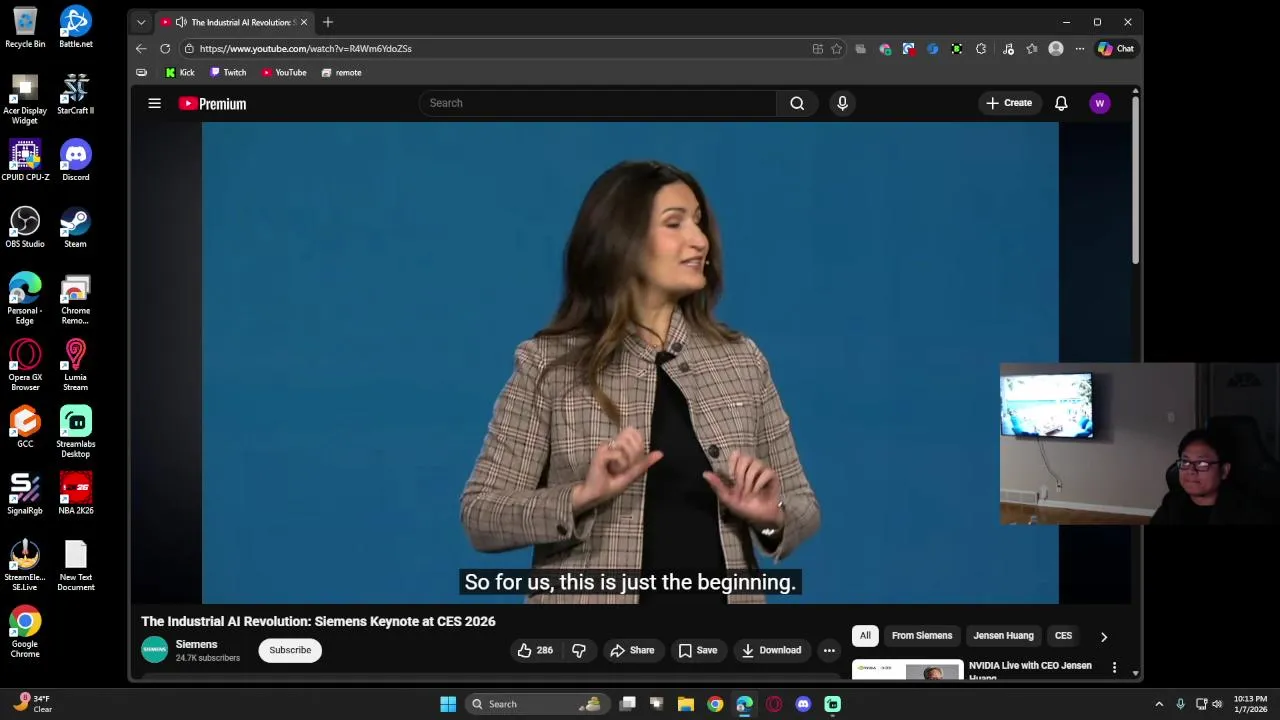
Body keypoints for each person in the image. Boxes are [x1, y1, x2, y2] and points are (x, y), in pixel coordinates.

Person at [461, 160, 821, 604]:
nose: (700, 240)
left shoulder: (742, 360)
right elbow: (480, 515)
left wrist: (770, 517)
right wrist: (581, 496)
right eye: (675, 223)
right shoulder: (548, 366)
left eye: (699, 222)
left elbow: (802, 505)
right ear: (623, 240)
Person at [1150, 429, 1275, 525]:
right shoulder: (1172, 502)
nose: (1191, 470)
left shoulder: (1250, 512)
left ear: (1224, 471)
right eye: (1185, 462)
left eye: (1202, 463)